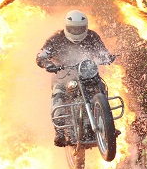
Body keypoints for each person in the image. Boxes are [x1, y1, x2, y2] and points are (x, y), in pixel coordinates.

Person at [35, 10, 115, 146]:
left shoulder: (92, 36)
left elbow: (103, 52)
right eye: (73, 28)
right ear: (67, 27)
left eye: (80, 28)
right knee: (58, 96)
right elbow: (41, 55)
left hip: (87, 73)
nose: (77, 31)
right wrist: (48, 64)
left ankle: (108, 124)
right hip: (63, 76)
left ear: (86, 26)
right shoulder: (56, 39)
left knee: (101, 88)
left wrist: (107, 57)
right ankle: (59, 132)